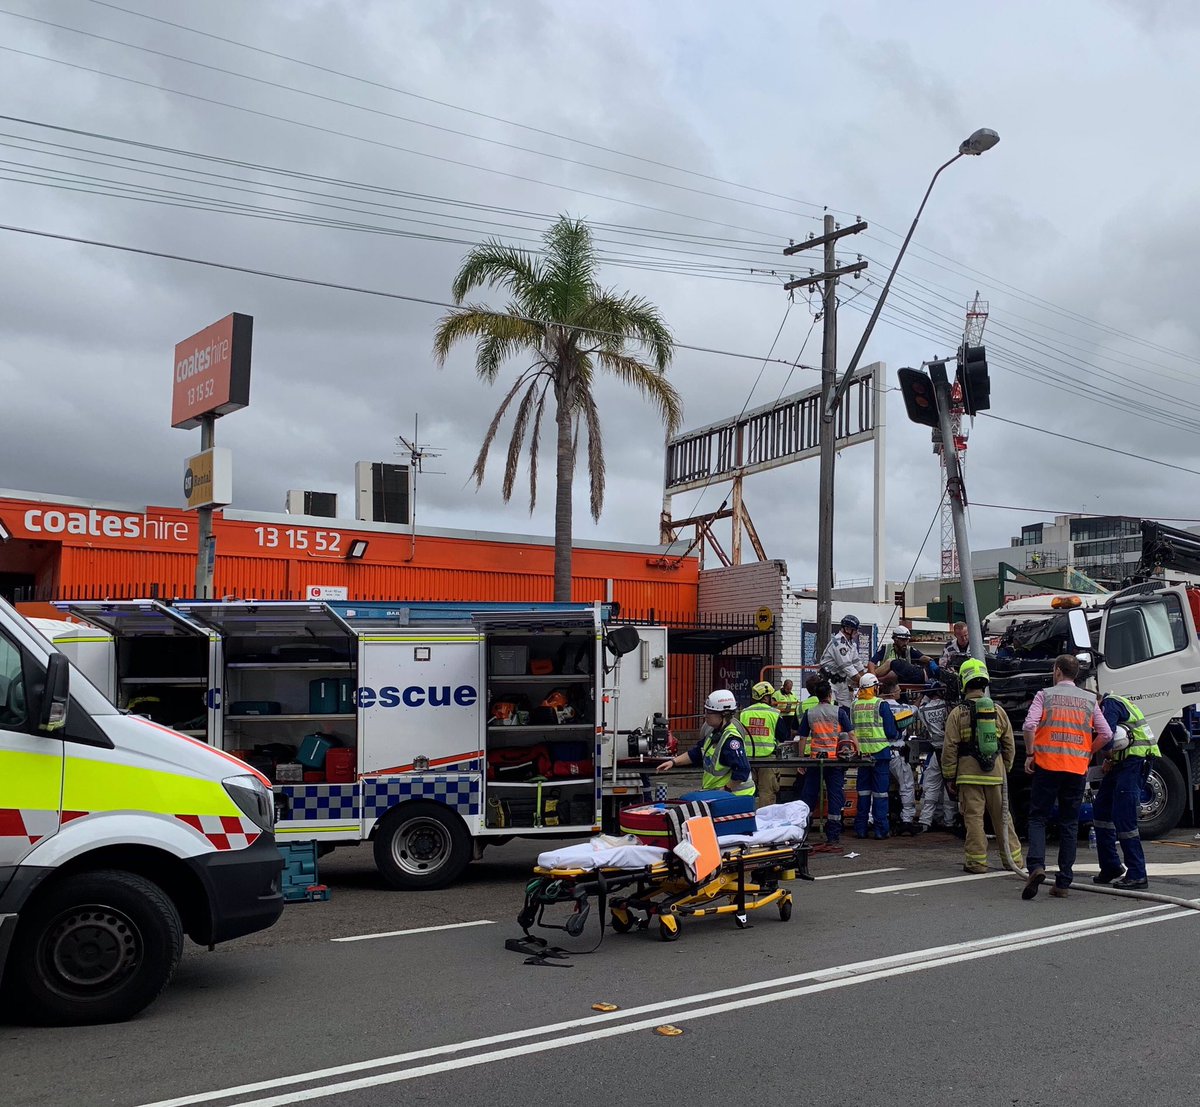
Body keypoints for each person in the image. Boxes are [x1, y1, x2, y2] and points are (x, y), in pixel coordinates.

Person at [1021, 654, 1112, 899]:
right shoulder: (1089, 700)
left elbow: (1029, 726)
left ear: (1058, 671)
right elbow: (1106, 733)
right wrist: (1087, 751)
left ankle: (1036, 866)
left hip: (1047, 766)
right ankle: (1063, 882)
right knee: (1069, 823)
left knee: (1038, 818)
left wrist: (1030, 754)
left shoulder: (1045, 695)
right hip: (1076, 769)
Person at [941, 659, 1023, 873]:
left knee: (974, 819)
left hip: (968, 776)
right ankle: (1014, 861)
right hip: (995, 774)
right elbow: (1009, 744)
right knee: (1003, 818)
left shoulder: (957, 713)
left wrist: (949, 776)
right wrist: (1004, 767)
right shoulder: (998, 711)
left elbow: (949, 748)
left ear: (963, 682)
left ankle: (976, 862)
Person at [1092, 691, 1160, 891]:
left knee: (1124, 816)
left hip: (1134, 763)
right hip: (1122, 763)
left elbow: (1108, 736)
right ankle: (1110, 866)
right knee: (1101, 811)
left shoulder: (1110, 704)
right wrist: (1110, 759)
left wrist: (1089, 752)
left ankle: (1138, 874)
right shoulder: (1115, 703)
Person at [656, 689, 754, 797]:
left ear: (723, 714)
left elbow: (742, 770)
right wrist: (673, 762)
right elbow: (696, 753)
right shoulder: (714, 734)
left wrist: (726, 789)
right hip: (718, 794)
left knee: (689, 799)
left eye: (709, 712)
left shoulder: (731, 740)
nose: (705, 715)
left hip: (735, 797)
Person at [797, 677, 853, 851]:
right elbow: (851, 734)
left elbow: (803, 738)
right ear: (830, 695)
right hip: (834, 761)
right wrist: (857, 751)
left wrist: (801, 760)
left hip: (815, 760)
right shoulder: (839, 712)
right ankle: (833, 835)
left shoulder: (810, 713)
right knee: (835, 796)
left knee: (809, 796)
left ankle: (803, 833)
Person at [851, 673, 898, 839]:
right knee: (880, 794)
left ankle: (861, 829)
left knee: (863, 793)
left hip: (862, 755)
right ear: (874, 688)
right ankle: (880, 830)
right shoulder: (880, 704)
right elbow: (891, 732)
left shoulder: (854, 706)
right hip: (880, 753)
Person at [878, 673, 918, 834]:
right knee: (906, 786)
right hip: (898, 754)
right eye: (899, 690)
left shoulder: (877, 707)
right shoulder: (904, 709)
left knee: (879, 788)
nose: (900, 692)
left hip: (880, 753)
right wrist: (920, 698)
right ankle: (906, 820)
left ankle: (874, 819)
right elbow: (915, 709)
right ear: (893, 692)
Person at [915, 680, 957, 833]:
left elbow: (915, 708)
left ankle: (925, 820)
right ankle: (949, 821)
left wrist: (922, 695)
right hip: (950, 750)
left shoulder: (923, 710)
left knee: (931, 786)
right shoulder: (947, 706)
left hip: (936, 751)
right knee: (950, 786)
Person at [740, 681, 783, 808]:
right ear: (765, 697)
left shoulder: (744, 713)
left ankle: (747, 815)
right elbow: (783, 735)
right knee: (767, 794)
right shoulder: (774, 713)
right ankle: (765, 819)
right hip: (767, 760)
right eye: (771, 696)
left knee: (746, 792)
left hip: (747, 759)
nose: (773, 700)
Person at [821, 614, 867, 710]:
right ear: (847, 629)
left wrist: (866, 678)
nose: (857, 633)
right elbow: (848, 667)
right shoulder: (838, 642)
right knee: (830, 709)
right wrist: (864, 683)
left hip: (841, 682)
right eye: (855, 630)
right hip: (829, 683)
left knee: (847, 708)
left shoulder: (851, 644)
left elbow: (857, 664)